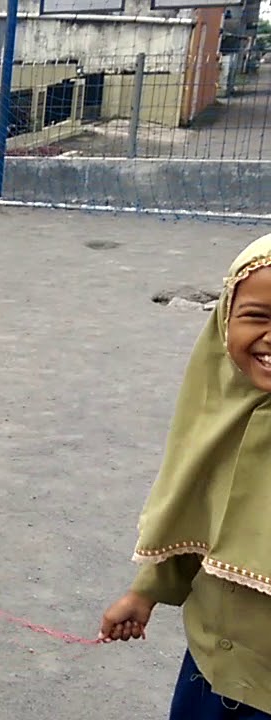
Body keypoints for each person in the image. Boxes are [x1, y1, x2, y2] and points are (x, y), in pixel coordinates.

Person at [99, 233, 271, 718]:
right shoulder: (221, 415)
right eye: (257, 316)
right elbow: (198, 514)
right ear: (223, 320)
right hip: (210, 664)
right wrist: (147, 592)